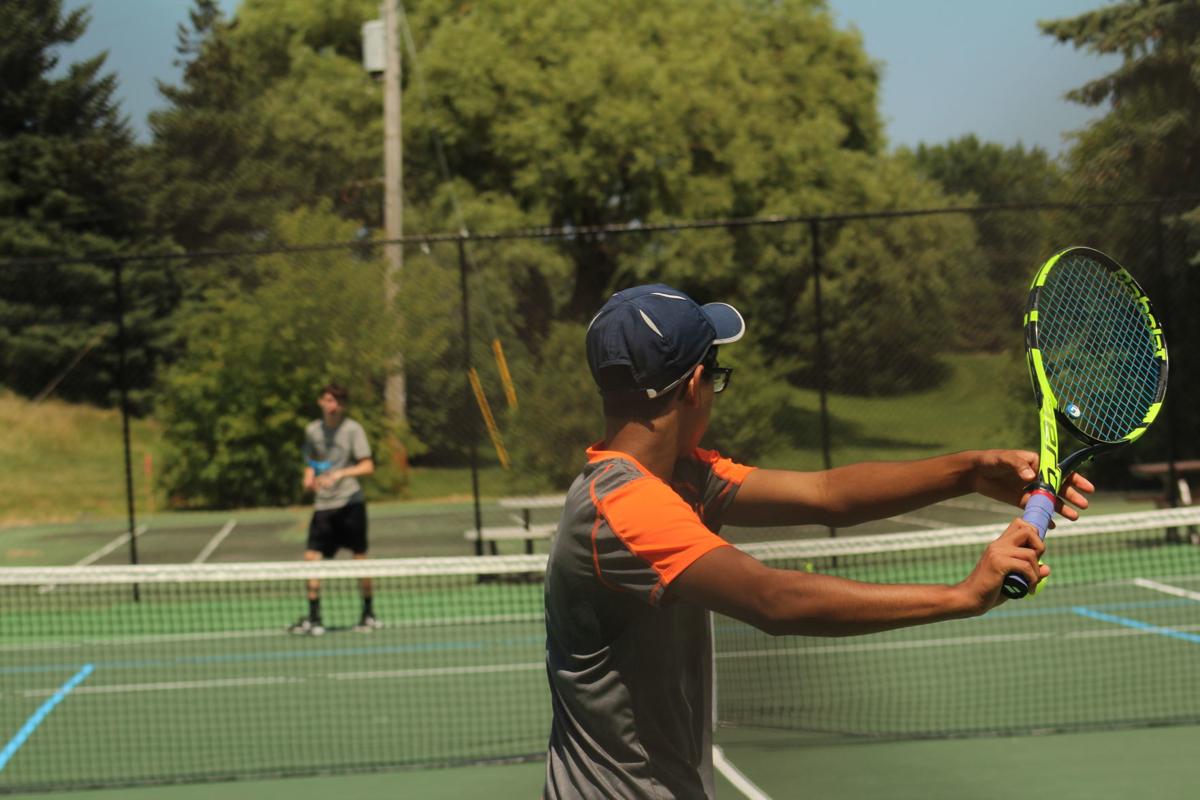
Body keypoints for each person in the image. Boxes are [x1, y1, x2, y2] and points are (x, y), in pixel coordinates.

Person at [542, 284, 1094, 798]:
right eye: (717, 374)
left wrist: (972, 470)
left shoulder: (677, 477)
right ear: (693, 386)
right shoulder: (626, 508)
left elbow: (828, 494)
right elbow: (773, 599)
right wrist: (961, 595)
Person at [289, 383, 378, 636]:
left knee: (360, 560)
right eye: (328, 400)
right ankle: (314, 617)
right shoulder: (312, 431)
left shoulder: (353, 429)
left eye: (337, 401)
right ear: (321, 402)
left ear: (343, 405)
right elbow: (311, 461)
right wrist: (308, 478)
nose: (332, 406)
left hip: (351, 503)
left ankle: (368, 614)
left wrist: (340, 474)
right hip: (324, 506)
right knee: (311, 559)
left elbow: (368, 466)